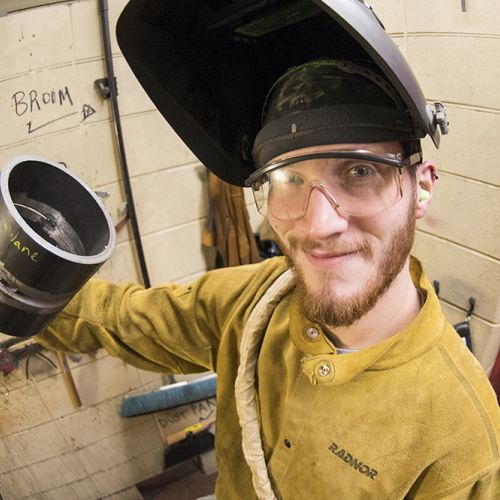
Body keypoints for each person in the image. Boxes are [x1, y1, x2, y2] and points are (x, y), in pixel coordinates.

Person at [36, 1, 499, 499]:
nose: (318, 223)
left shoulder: (459, 439)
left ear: (421, 188)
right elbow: (119, 319)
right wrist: (24, 284)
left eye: (360, 171)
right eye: (288, 180)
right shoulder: (255, 301)